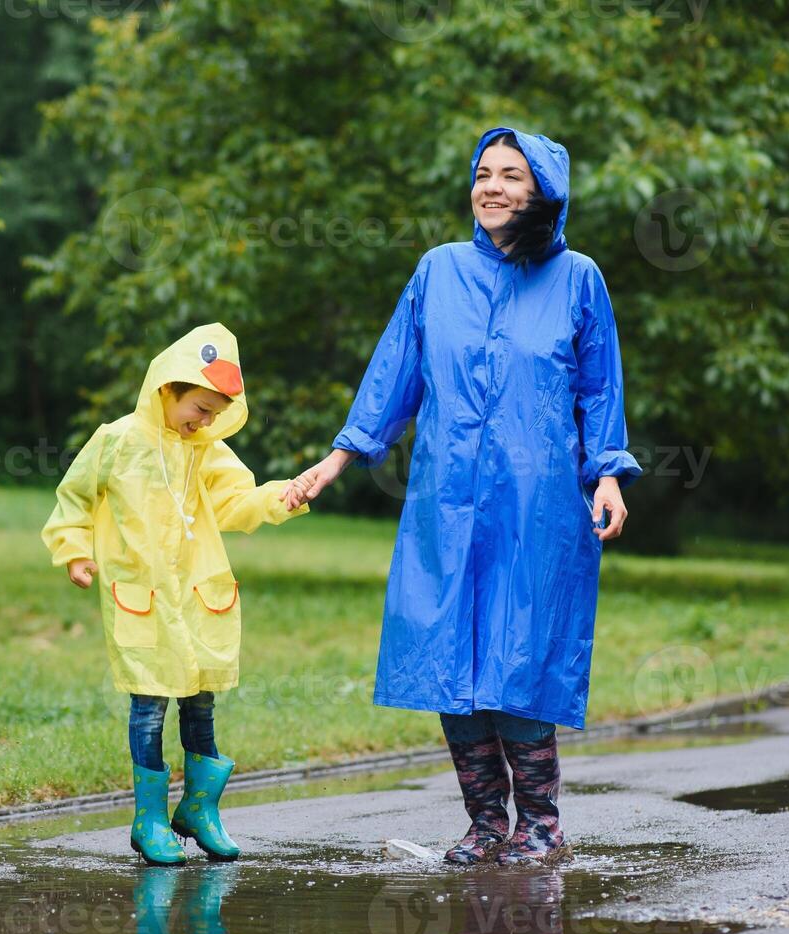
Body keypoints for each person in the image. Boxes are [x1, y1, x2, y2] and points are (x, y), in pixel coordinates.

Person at [283, 127, 642, 867]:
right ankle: (485, 824)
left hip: (537, 507)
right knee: (453, 657)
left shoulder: (578, 278)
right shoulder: (437, 272)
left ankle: (539, 824)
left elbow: (600, 386)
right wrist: (338, 458)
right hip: (446, 502)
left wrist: (607, 473)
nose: (493, 187)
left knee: (521, 658)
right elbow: (395, 373)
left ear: (544, 191)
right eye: (484, 173)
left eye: (513, 175)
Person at [42, 322, 309, 866]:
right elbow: (74, 495)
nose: (206, 421)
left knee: (200, 702)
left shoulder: (206, 451)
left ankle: (199, 809)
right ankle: (149, 819)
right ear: (167, 389)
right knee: (148, 705)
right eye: (199, 409)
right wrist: (74, 549)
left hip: (196, 597)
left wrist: (283, 496)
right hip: (141, 598)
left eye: (214, 414)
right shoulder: (116, 441)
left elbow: (237, 503)